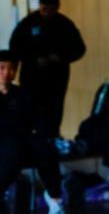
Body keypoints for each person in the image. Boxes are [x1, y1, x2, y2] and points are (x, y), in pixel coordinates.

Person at [9, 0, 86, 139]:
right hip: (31, 78)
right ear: (39, 5)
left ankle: (51, 142)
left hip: (56, 79)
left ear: (57, 7)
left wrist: (60, 57)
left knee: (53, 117)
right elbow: (14, 47)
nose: (47, 13)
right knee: (29, 114)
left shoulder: (65, 24)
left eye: (51, 10)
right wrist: (33, 59)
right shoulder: (28, 23)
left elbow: (79, 49)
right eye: (44, 9)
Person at [0, 50, 64, 214]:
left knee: (45, 147)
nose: (6, 72)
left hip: (24, 141)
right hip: (5, 144)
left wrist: (40, 134)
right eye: (2, 68)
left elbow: (37, 119)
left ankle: (54, 198)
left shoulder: (21, 94)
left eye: (11, 68)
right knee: (14, 149)